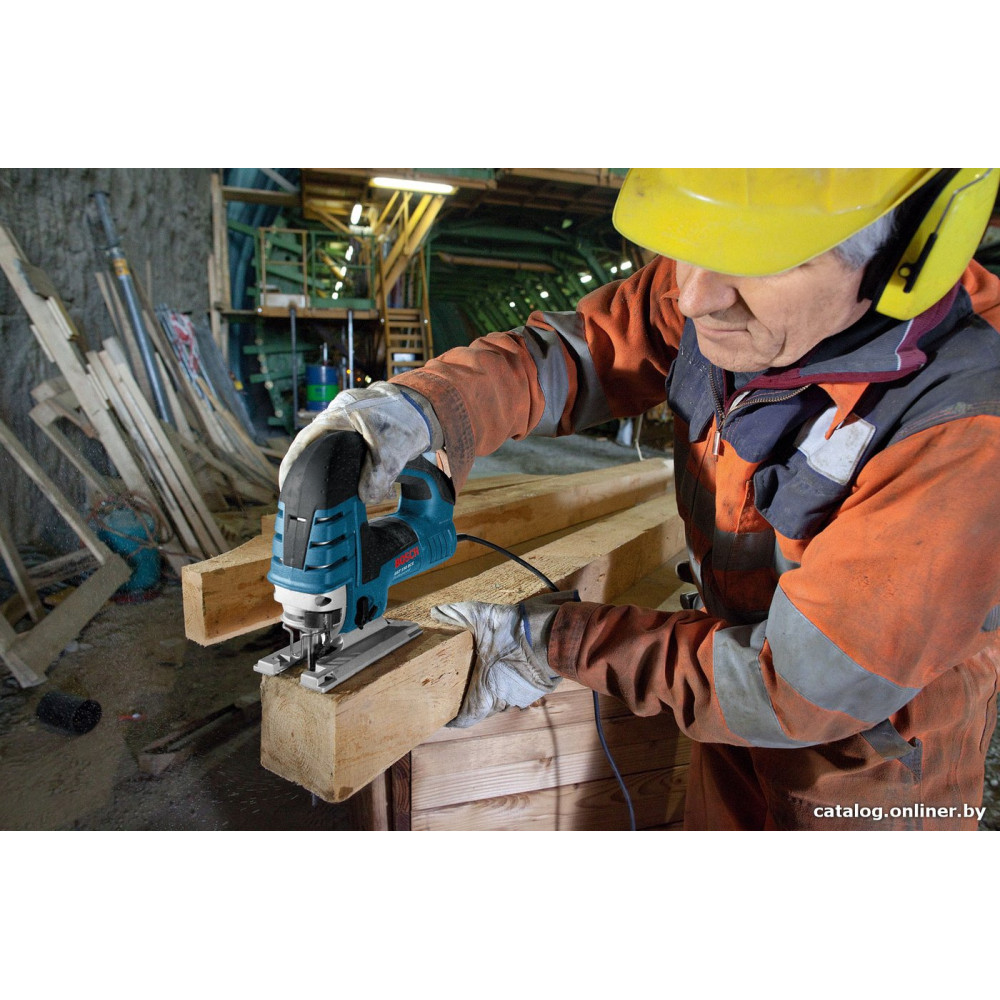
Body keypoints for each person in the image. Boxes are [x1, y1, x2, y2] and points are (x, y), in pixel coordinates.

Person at [281, 169, 1000, 831]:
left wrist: (552, 641)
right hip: (724, 699)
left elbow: (793, 688)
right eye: (684, 250)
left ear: (907, 257)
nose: (693, 298)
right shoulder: (720, 282)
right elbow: (572, 356)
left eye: (755, 263)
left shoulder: (965, 427)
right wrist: (423, 409)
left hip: (875, 765)